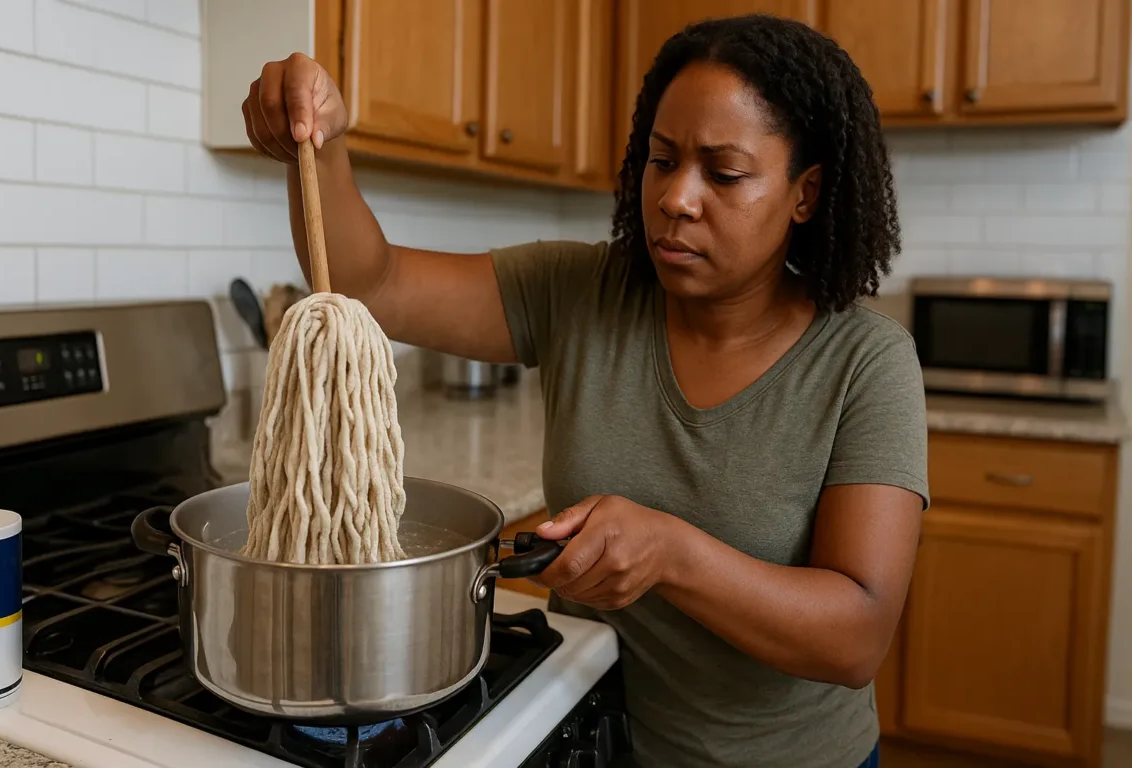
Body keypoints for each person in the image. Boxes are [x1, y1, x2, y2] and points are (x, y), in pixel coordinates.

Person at [242, 13, 927, 768]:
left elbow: (856, 637)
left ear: (806, 192)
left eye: (724, 173)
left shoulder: (867, 362)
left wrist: (671, 553)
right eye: (662, 160)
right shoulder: (582, 292)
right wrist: (322, 141)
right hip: (582, 738)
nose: (676, 198)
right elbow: (371, 283)